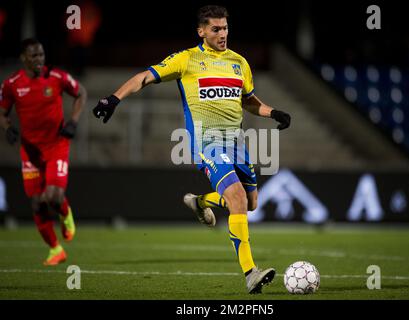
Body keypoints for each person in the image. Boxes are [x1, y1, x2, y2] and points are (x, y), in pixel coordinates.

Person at [93, 5, 291, 294]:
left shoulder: (239, 62)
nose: (223, 33)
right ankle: (250, 272)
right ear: (201, 31)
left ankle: (202, 202)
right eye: (216, 29)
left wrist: (273, 112)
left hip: (236, 142)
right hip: (207, 141)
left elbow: (247, 100)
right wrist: (113, 98)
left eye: (225, 28)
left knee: (250, 204)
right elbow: (144, 77)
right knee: (236, 197)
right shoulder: (186, 59)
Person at [0, 38, 87, 265]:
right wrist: (7, 127)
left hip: (56, 145)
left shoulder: (56, 77)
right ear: (23, 58)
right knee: (37, 203)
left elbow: (81, 93)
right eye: (34, 56)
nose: (39, 60)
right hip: (30, 151)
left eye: (41, 55)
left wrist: (73, 121)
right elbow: (2, 111)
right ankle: (55, 249)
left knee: (53, 196)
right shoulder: (12, 84)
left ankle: (65, 214)